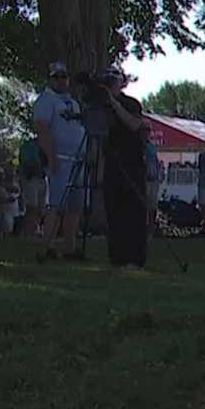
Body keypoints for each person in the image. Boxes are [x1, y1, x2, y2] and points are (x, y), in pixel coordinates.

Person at [95, 67, 150, 268]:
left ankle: (135, 257)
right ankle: (117, 257)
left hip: (132, 163)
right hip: (111, 163)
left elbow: (134, 124)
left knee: (134, 212)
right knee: (114, 211)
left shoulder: (130, 103)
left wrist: (114, 103)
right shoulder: (100, 106)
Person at [33, 61, 86, 257]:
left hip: (77, 161)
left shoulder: (73, 103)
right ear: (50, 79)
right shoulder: (46, 100)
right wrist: (51, 156)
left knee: (75, 207)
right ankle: (47, 245)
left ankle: (70, 247)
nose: (61, 80)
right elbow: (42, 129)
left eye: (64, 76)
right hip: (59, 159)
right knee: (56, 205)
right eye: (56, 77)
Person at [17, 135, 45, 238]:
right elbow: (27, 164)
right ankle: (27, 233)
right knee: (31, 208)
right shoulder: (30, 146)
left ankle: (34, 230)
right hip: (30, 178)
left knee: (40, 209)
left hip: (41, 179)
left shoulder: (46, 146)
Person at [143, 133, 162, 236]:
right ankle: (146, 225)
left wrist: (159, 174)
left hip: (153, 179)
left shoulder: (151, 146)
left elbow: (156, 161)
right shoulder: (140, 146)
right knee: (145, 203)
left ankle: (151, 226)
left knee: (152, 204)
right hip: (145, 179)